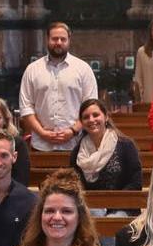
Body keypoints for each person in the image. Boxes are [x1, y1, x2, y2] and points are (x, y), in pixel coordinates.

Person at [18, 21, 98, 153]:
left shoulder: (83, 69)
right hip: (41, 145)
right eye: (54, 39)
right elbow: (26, 107)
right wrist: (42, 132)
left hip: (75, 144)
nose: (59, 42)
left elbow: (91, 106)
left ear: (69, 40)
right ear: (47, 40)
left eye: (63, 39)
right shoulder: (32, 69)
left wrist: (73, 131)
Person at [72, 98, 144, 192]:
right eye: (86, 117)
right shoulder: (76, 152)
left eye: (96, 115)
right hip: (90, 206)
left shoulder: (126, 146)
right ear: (81, 123)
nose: (91, 120)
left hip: (123, 204)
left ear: (106, 117)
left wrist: (114, 204)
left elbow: (136, 182)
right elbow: (75, 186)